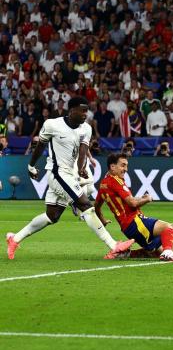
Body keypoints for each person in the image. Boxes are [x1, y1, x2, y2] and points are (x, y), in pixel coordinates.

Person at [5, 97, 134, 260]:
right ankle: (114, 246)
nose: (85, 114)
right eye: (82, 110)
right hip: (57, 173)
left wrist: (81, 168)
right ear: (72, 110)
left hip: (69, 174)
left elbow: (82, 151)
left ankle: (14, 238)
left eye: (87, 111)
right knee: (86, 205)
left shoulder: (86, 128)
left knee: (52, 216)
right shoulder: (52, 124)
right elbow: (40, 146)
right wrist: (31, 165)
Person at [94, 153, 173, 262]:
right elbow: (132, 203)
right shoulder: (116, 181)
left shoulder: (103, 184)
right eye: (123, 165)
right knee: (169, 228)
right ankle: (168, 253)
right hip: (134, 222)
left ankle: (124, 253)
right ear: (112, 167)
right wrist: (147, 199)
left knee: (155, 251)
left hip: (127, 228)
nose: (126, 169)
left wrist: (102, 219)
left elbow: (96, 206)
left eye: (126, 166)